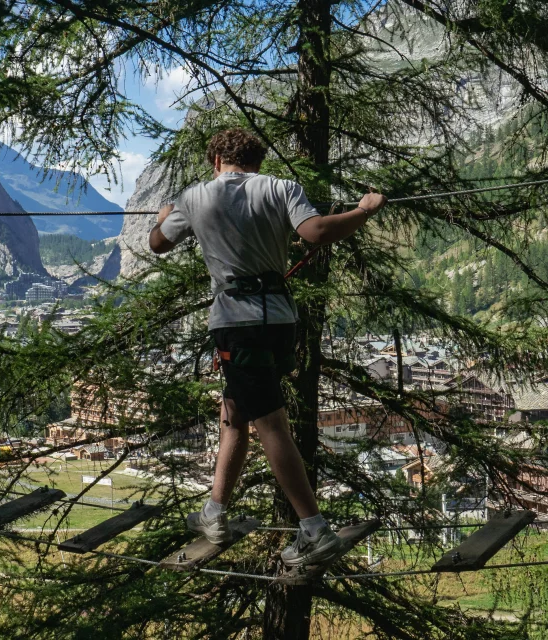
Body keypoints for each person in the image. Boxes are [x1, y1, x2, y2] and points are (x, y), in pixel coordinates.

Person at [149, 128, 386, 569]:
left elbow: (157, 244)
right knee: (235, 412)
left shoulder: (196, 196)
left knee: (269, 422)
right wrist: (363, 210)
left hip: (238, 325)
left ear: (217, 159)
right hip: (280, 320)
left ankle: (315, 529)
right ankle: (215, 514)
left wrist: (163, 215)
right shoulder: (280, 188)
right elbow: (315, 232)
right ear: (256, 161)